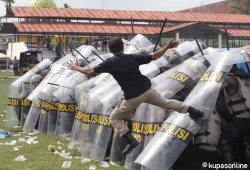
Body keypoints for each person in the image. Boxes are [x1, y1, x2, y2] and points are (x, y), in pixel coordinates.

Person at [70, 37, 204, 156]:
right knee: (166, 103)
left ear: (110, 49)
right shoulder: (133, 57)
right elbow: (155, 56)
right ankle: (192, 110)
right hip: (147, 91)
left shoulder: (110, 62)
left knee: (114, 118)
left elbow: (89, 72)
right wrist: (167, 47)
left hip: (132, 98)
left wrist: (75, 67)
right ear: (123, 47)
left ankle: (131, 140)